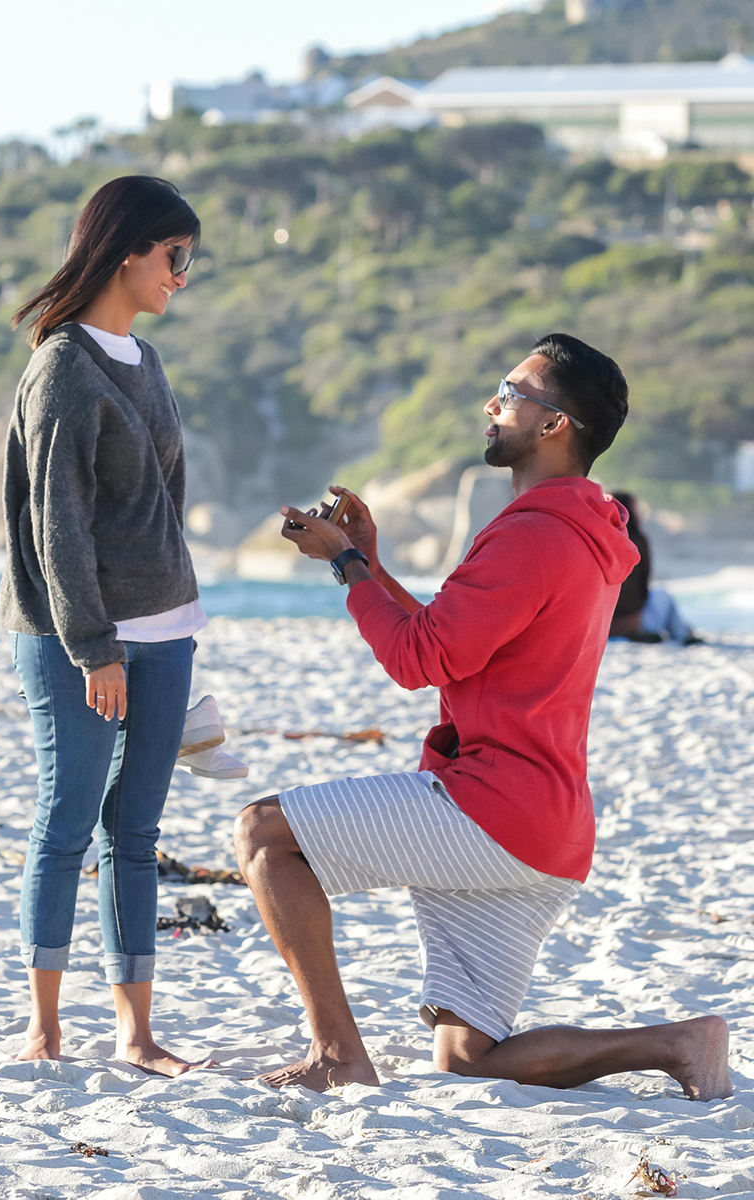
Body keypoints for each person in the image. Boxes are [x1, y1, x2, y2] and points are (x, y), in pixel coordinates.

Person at [234, 333, 731, 1100]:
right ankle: (677, 1043)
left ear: (552, 424)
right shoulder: (580, 526)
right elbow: (451, 644)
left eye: (510, 391)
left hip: (492, 810)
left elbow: (416, 662)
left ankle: (336, 1053)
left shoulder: (532, 533)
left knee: (264, 833)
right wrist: (368, 561)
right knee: (468, 1061)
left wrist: (345, 567)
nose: (491, 405)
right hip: (548, 832)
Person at [0, 176, 214, 1076]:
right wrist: (95, 647)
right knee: (67, 823)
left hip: (167, 628)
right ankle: (44, 1029)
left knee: (137, 833)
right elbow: (57, 525)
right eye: (176, 257)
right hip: (74, 636)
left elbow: (166, 497)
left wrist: (172, 610)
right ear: (127, 249)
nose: (182, 277)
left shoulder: (146, 360)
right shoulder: (61, 368)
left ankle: (136, 1034)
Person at [610, 491, 702, 645]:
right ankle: (682, 633)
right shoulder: (638, 540)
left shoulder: (603, 539)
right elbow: (644, 584)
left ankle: (681, 631)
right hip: (634, 623)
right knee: (663, 594)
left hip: (604, 625)